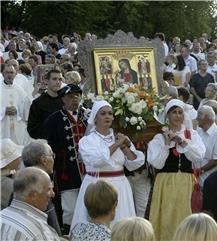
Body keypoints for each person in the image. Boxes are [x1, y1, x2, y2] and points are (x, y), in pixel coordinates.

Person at [71, 100, 144, 229]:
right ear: (95, 117)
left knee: (121, 223)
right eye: (103, 113)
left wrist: (125, 146)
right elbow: (96, 160)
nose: (107, 116)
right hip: (96, 184)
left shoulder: (119, 137)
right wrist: (116, 144)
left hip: (120, 186)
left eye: (110, 114)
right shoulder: (87, 140)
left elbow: (134, 164)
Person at [147, 99, 206, 241]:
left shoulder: (191, 135)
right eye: (174, 112)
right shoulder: (160, 137)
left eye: (180, 112)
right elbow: (156, 163)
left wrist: (182, 142)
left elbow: (199, 155)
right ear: (167, 115)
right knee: (166, 219)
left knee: (185, 216)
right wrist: (167, 145)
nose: (177, 115)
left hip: (186, 182)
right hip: (165, 183)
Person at [43, 84, 88, 234]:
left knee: (90, 203)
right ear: (63, 99)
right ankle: (70, 234)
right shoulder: (53, 120)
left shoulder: (88, 116)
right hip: (66, 171)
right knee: (69, 207)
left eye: (77, 96)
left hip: (89, 170)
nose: (74, 99)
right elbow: (47, 145)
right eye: (70, 96)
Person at [0, 167, 60, 240]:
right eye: (48, 189)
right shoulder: (37, 231)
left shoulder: (2, 216)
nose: (53, 194)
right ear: (33, 196)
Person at [21, 139, 61, 235]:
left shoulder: (22, 183)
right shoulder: (40, 188)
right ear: (44, 160)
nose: (54, 159)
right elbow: (51, 229)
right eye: (52, 155)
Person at [27, 69, 63, 139]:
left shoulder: (65, 100)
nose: (58, 82)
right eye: (54, 79)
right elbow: (32, 129)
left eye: (60, 79)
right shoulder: (38, 103)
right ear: (47, 81)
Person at [196, 105, 217, 186]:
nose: (196, 118)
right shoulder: (199, 132)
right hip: (197, 179)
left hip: (210, 180)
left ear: (207, 118)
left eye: (199, 115)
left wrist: (199, 171)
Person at [1, 64, 31, 145]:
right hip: (2, 125)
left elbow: (26, 107)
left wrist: (17, 110)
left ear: (15, 74)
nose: (9, 75)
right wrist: (3, 111)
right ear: (3, 74)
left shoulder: (20, 90)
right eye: (6, 72)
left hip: (17, 126)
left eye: (11, 72)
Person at [1, 138, 23, 210]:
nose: (20, 157)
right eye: (17, 156)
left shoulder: (7, 175)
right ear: (10, 161)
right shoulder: (6, 182)